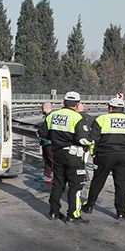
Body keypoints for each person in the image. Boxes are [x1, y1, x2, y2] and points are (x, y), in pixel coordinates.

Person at [81, 97, 125, 220]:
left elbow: (93, 140)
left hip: (104, 156)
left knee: (97, 181)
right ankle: (121, 212)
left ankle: (89, 206)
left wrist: (93, 153)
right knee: (122, 185)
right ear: (122, 108)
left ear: (110, 108)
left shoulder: (102, 119)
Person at [37, 92, 93, 224]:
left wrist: (56, 140)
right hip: (73, 156)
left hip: (58, 154)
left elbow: (42, 133)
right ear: (78, 104)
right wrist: (92, 143)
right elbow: (84, 139)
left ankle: (54, 212)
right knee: (75, 186)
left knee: (58, 184)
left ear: (63, 103)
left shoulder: (52, 116)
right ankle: (73, 215)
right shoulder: (77, 117)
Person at [36, 102, 55, 183]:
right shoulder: (53, 115)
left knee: (52, 160)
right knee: (47, 159)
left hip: (49, 142)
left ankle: (60, 177)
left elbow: (46, 130)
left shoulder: (50, 116)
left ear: (43, 108)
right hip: (48, 142)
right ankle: (47, 175)